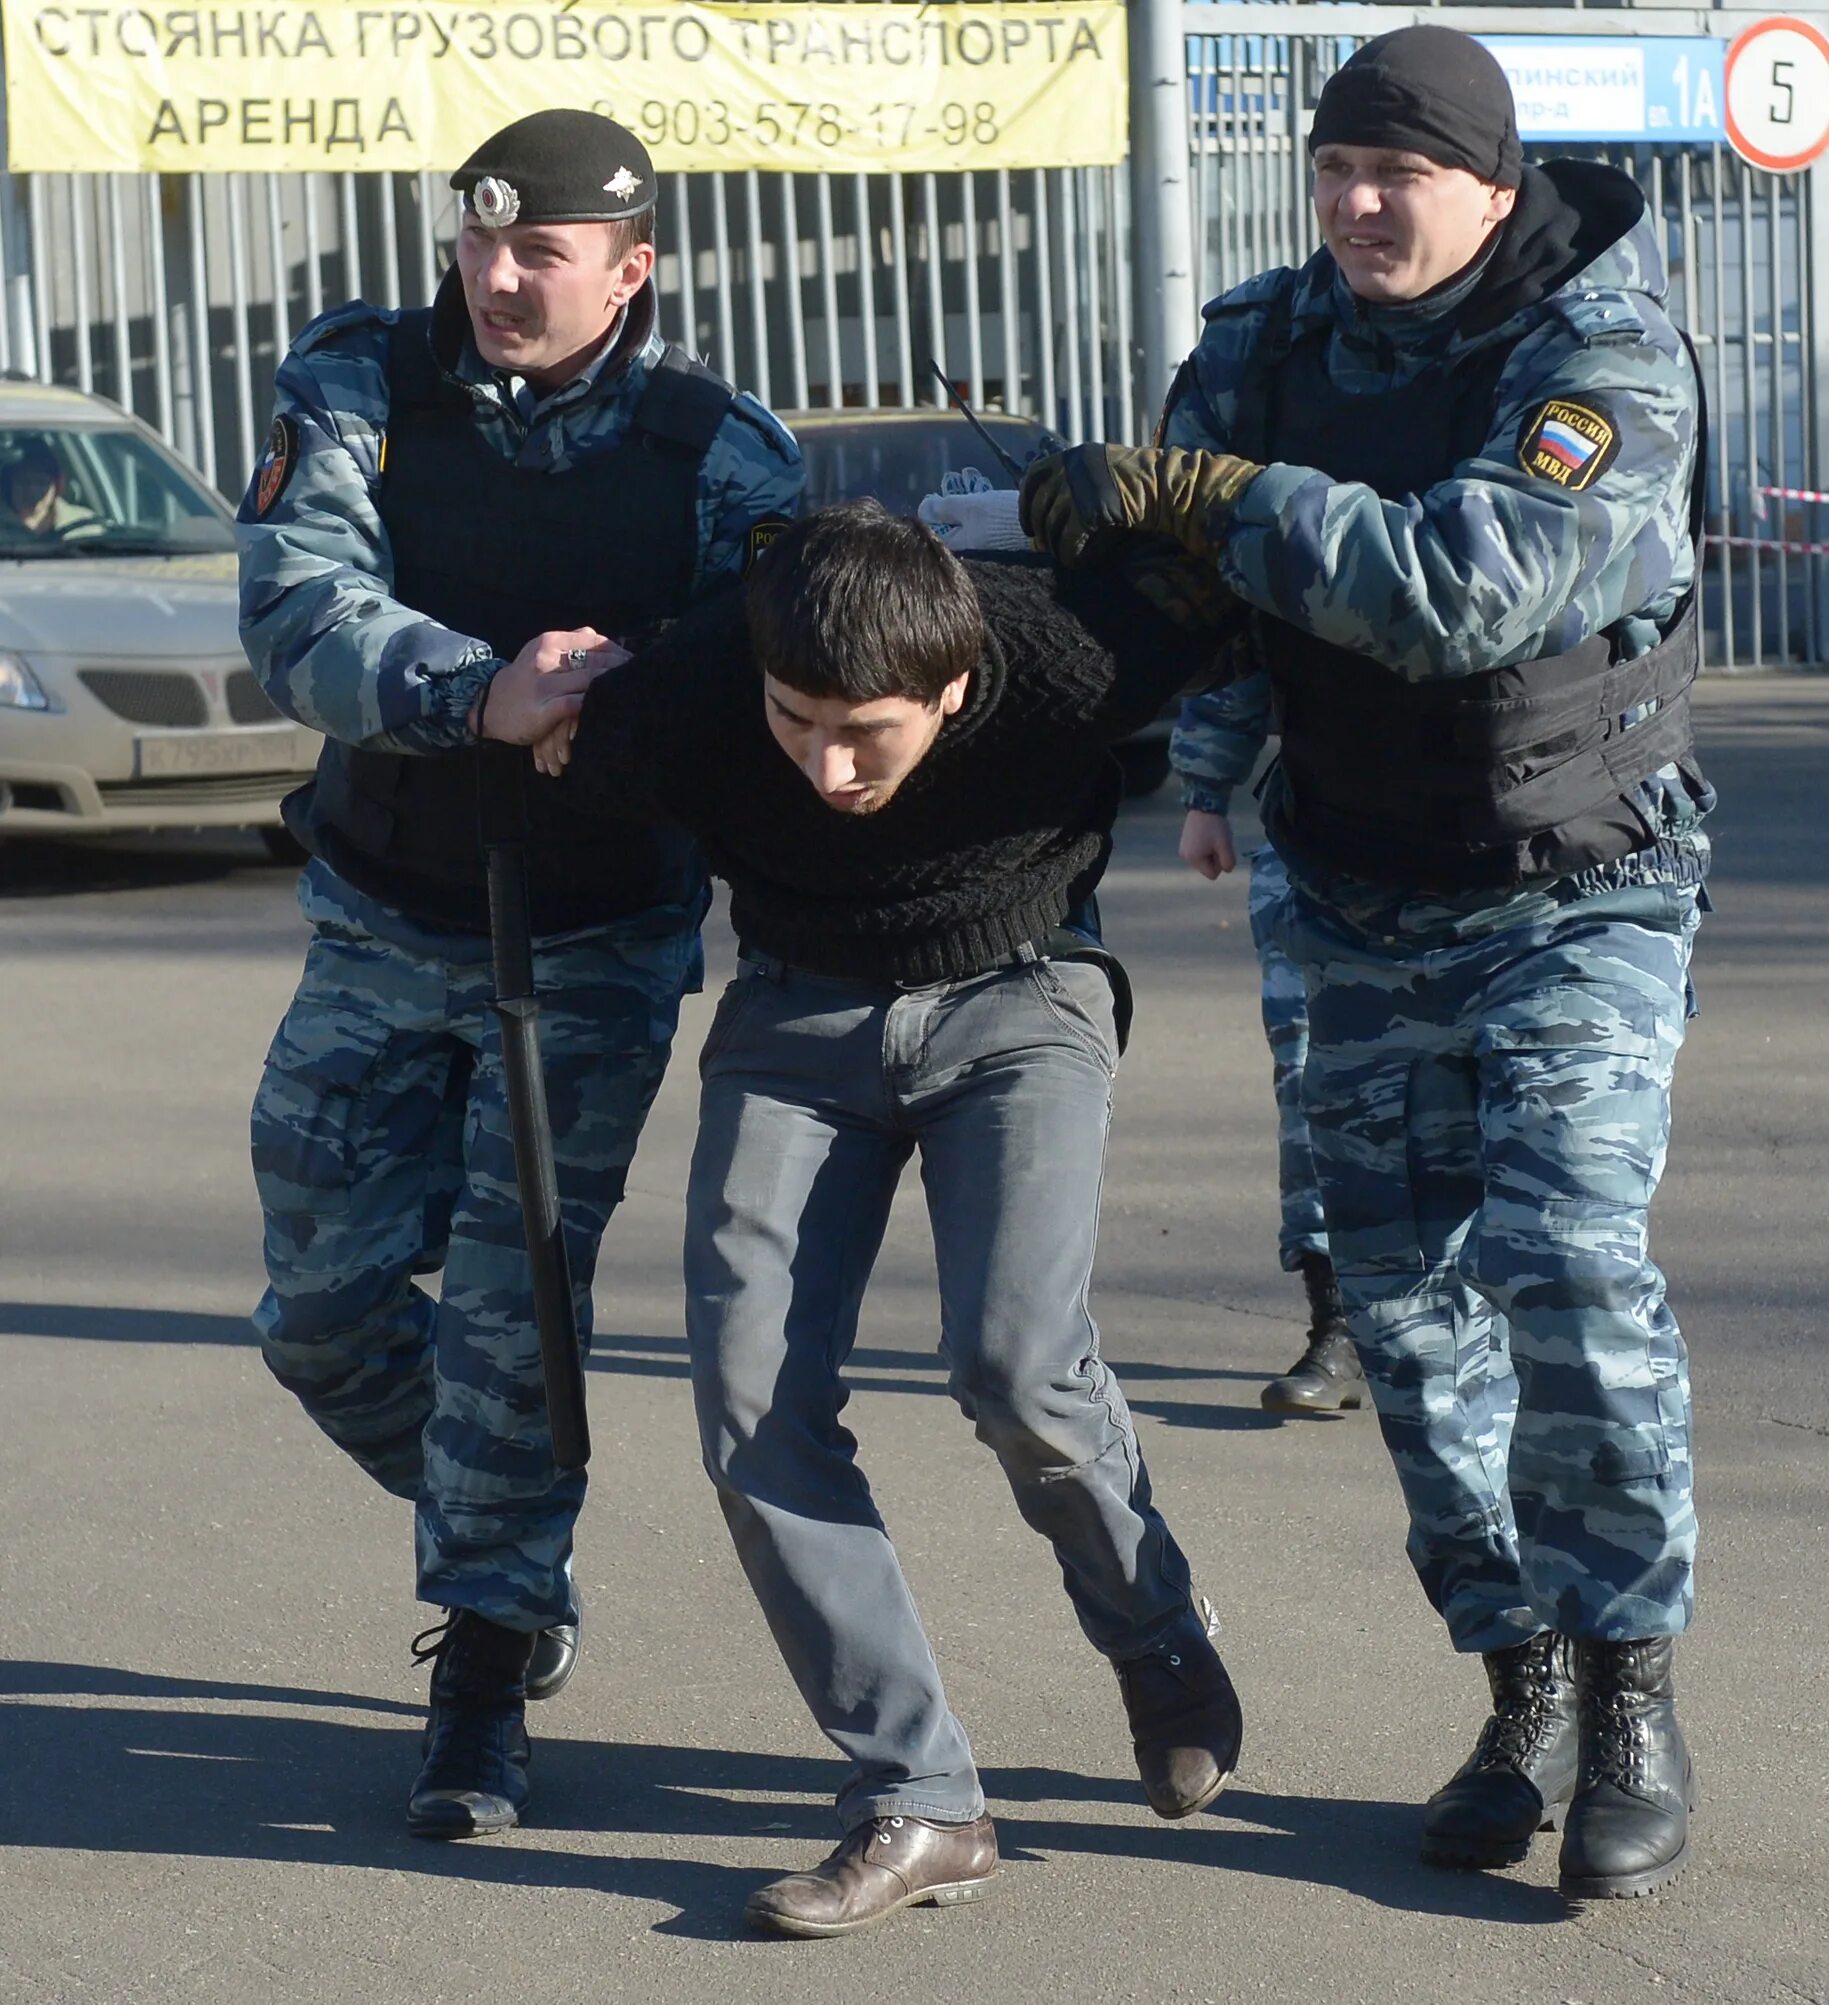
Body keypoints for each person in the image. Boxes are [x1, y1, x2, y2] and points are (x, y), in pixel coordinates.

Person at [1019, 25, 1710, 1899]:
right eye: (1334, 170)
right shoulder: (1266, 343)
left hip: (1578, 890)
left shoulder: (1600, 352)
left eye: (1397, 174)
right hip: (1359, 894)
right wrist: (1043, 591)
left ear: (1493, 189)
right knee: (1406, 1327)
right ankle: (1523, 1680)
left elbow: (1467, 588)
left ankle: (1635, 1687)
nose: (1358, 205)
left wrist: (1211, 502)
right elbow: (1178, 601)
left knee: (1567, 1257)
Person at [479, 501, 1248, 1938]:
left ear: (954, 690)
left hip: (1020, 998)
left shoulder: (1071, 656)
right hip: (796, 1017)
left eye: (869, 732)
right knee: (748, 1404)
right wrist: (526, 704)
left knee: (1014, 1360)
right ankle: (920, 1796)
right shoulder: (698, 691)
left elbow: (1268, 605)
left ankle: (1153, 1634)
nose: (828, 765)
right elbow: (527, 758)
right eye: (797, 720)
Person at [234, 109, 803, 1839]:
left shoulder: (725, 456)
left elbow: (769, 700)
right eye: (475, 243)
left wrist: (624, 704)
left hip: (597, 946)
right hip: (383, 908)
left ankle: (489, 1652)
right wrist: (479, 688)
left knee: (506, 1309)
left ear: (632, 270)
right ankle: (496, 1515)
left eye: (537, 254)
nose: (493, 279)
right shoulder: (355, 382)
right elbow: (293, 607)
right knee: (321, 1315)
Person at [1168, 673, 1362, 1416]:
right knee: (1311, 1080)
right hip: (1319, 830)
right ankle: (1341, 1324)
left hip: (1498, 837)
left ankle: (1469, 1325)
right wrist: (1205, 788)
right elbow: (1254, 626)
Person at [0, 439, 92, 540]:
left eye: (41, 483)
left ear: (57, 486)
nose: (31, 492)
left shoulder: (86, 527)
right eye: (22, 482)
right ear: (8, 485)